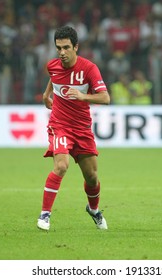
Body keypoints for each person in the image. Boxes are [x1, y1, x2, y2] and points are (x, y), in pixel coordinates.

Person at [37, 26, 110, 231]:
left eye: (66, 47)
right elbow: (55, 76)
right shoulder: (53, 65)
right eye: (58, 48)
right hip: (59, 125)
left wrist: (83, 96)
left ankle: (94, 210)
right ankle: (45, 214)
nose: (62, 52)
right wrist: (46, 94)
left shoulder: (89, 69)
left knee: (92, 177)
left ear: (76, 47)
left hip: (82, 129)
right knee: (61, 166)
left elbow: (105, 98)